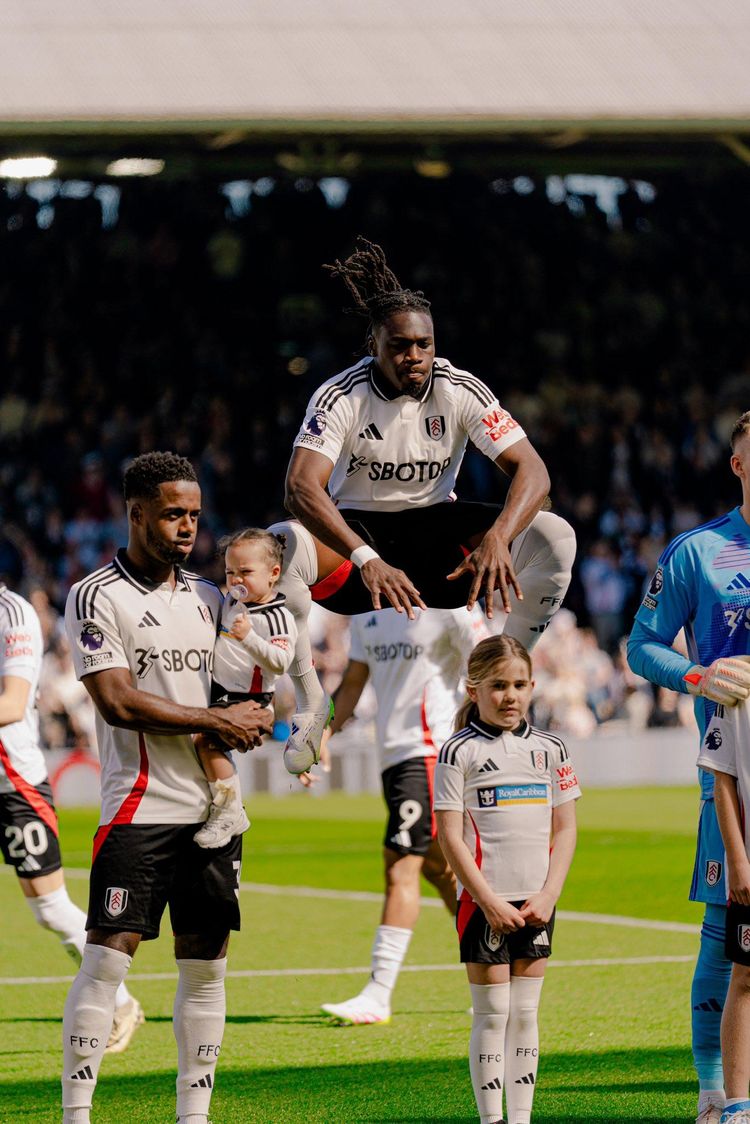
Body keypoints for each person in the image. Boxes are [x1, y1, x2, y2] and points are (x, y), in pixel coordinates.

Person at [271, 237, 577, 775]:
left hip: (439, 545)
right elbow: (301, 486)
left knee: (556, 536)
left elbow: (535, 470)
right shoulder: (341, 396)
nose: (414, 356)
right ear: (374, 343)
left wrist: (501, 538)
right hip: (359, 548)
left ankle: (498, 672)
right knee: (279, 544)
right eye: (399, 345)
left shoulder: (458, 389)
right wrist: (368, 559)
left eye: (424, 344)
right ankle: (312, 706)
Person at [61, 452, 273, 1124]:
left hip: (212, 815)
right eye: (174, 513)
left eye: (194, 515)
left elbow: (240, 691)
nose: (187, 526)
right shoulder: (98, 595)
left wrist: (257, 718)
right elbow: (118, 702)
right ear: (136, 513)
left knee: (206, 967)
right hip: (139, 807)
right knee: (106, 962)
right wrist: (218, 719)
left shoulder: (213, 599)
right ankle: (76, 1112)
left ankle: (193, 1116)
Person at [627, 411, 750, 1124]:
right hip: (732, 770)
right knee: (727, 927)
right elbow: (642, 646)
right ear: (737, 465)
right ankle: (716, 1094)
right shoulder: (699, 552)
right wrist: (699, 677)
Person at [434, 635, 579, 1124]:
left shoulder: (551, 748)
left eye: (519, 684)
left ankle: (521, 1117)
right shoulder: (458, 751)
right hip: (485, 902)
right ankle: (491, 1119)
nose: (510, 696)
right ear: (473, 690)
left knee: (527, 1015)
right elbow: (450, 838)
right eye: (498, 686)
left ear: (533, 686)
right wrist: (489, 901)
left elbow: (567, 827)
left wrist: (549, 894)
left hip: (537, 901)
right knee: (493, 1015)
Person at [320, 604, 488, 1025]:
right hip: (393, 759)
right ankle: (494, 974)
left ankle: (378, 994)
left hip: (430, 754)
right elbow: (354, 682)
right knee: (442, 870)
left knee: (400, 866)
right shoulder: (364, 611)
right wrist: (320, 734)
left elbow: (488, 663)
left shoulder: (449, 605)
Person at [0, 580, 143, 1054]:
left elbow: (12, 704)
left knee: (48, 908)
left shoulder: (12, 613)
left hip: (13, 784)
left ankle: (120, 1002)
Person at [193, 528, 297, 849]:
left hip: (249, 701)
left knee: (208, 742)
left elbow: (280, 662)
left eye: (246, 572)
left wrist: (249, 638)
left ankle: (230, 810)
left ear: (273, 574)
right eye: (230, 572)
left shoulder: (277, 617)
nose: (236, 580)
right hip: (221, 692)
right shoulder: (231, 602)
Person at [697, 698, 750, 1124]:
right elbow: (722, 780)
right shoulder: (736, 693)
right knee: (745, 976)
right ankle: (736, 1105)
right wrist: (738, 859)